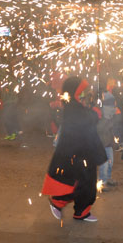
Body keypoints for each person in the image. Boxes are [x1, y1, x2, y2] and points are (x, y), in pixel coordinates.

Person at [41, 77, 107, 222]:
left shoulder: (75, 104)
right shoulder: (72, 106)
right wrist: (95, 113)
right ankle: (58, 202)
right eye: (81, 91)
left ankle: (81, 211)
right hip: (77, 152)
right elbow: (83, 120)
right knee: (78, 181)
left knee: (87, 182)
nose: (84, 94)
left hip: (85, 150)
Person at [97, 86, 117, 189]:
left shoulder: (110, 114)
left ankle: (108, 178)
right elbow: (99, 129)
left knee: (110, 161)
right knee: (104, 163)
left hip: (108, 142)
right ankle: (102, 182)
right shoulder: (102, 115)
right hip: (102, 142)